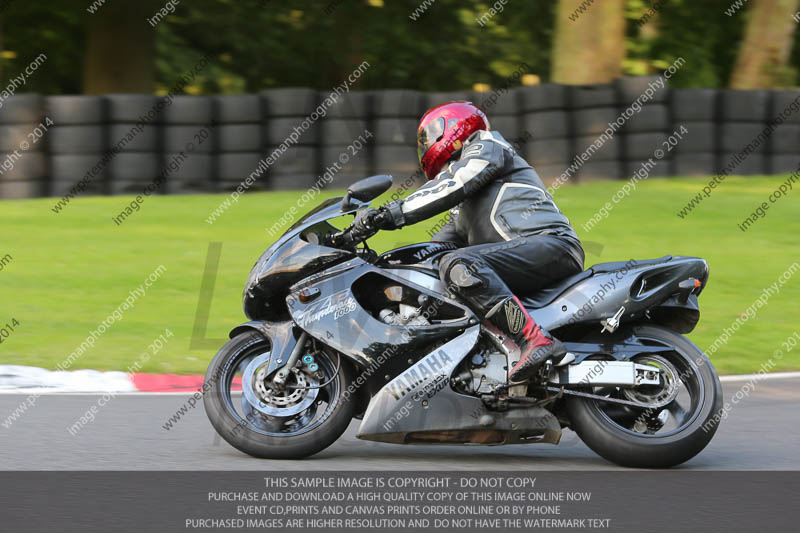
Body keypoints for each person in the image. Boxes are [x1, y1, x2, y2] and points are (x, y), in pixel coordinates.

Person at [353, 101, 584, 383]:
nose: (425, 145)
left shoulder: (487, 146)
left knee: (460, 264)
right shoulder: (463, 208)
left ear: (455, 126)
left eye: (430, 134)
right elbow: (434, 250)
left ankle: (535, 340)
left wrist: (389, 214)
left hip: (551, 245)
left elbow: (455, 181)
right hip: (521, 257)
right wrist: (383, 265)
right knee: (440, 270)